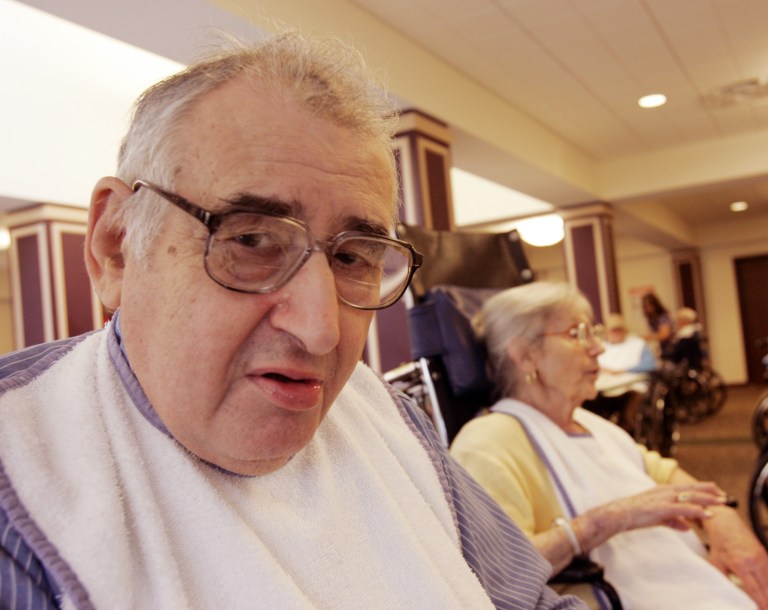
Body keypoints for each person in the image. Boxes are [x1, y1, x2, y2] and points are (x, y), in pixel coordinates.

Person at [0, 31, 584, 610]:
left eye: (353, 256)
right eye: (252, 240)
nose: (322, 330)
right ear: (117, 245)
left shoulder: (384, 416)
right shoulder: (21, 478)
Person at [451, 281, 768, 609]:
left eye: (594, 332)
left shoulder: (592, 424)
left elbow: (668, 475)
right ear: (525, 356)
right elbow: (500, 575)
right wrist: (608, 520)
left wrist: (724, 520)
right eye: (577, 333)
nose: (598, 348)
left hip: (685, 579)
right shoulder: (487, 443)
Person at [585, 313, 657, 432]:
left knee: (629, 416)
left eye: (619, 329)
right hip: (605, 387)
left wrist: (622, 371)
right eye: (613, 330)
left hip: (631, 387)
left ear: (625, 330)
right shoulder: (601, 346)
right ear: (607, 331)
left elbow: (650, 365)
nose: (616, 333)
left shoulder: (637, 344)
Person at [641, 292, 675, 359]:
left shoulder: (663, 316)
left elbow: (664, 334)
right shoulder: (651, 318)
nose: (648, 308)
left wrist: (648, 337)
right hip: (661, 349)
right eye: (645, 306)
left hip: (671, 348)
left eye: (649, 305)